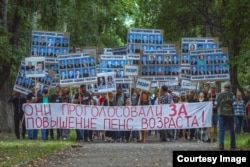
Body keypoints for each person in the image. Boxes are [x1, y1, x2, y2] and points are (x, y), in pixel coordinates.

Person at [215, 81, 236, 150]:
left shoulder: (219, 95)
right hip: (230, 114)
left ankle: (221, 145)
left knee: (221, 130)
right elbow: (235, 104)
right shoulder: (232, 95)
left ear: (224, 87)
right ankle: (232, 145)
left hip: (221, 114)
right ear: (230, 87)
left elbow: (216, 104)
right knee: (231, 129)